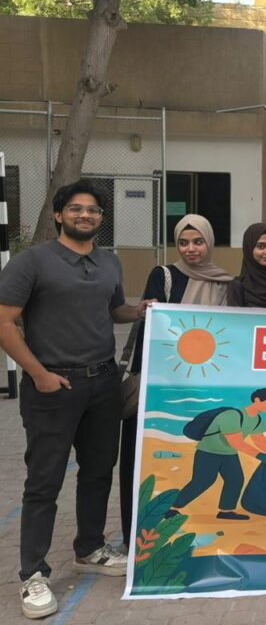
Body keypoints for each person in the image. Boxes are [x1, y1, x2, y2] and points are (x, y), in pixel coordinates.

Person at [0, 180, 153, 619]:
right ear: (58, 215)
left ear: (101, 219)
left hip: (103, 383)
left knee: (98, 471)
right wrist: (39, 374)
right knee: (44, 481)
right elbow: (5, 322)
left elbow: (113, 310)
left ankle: (89, 549)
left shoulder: (109, 262)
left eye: (92, 210)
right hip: (53, 386)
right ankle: (33, 573)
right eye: (75, 209)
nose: (85, 215)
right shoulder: (33, 262)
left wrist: (140, 310)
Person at [120, 213, 234, 550]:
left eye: (198, 241)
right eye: (183, 242)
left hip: (206, 388)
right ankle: (136, 540)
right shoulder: (164, 276)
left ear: (209, 242)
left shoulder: (226, 283)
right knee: (146, 457)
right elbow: (151, 327)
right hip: (164, 386)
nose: (190, 249)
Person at [165, 389, 266, 521]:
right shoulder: (231, 416)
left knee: (235, 480)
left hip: (229, 454)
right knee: (202, 482)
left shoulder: (257, 419)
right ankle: (171, 508)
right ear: (257, 399)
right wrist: (260, 456)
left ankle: (226, 511)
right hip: (208, 453)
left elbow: (258, 439)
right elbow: (236, 442)